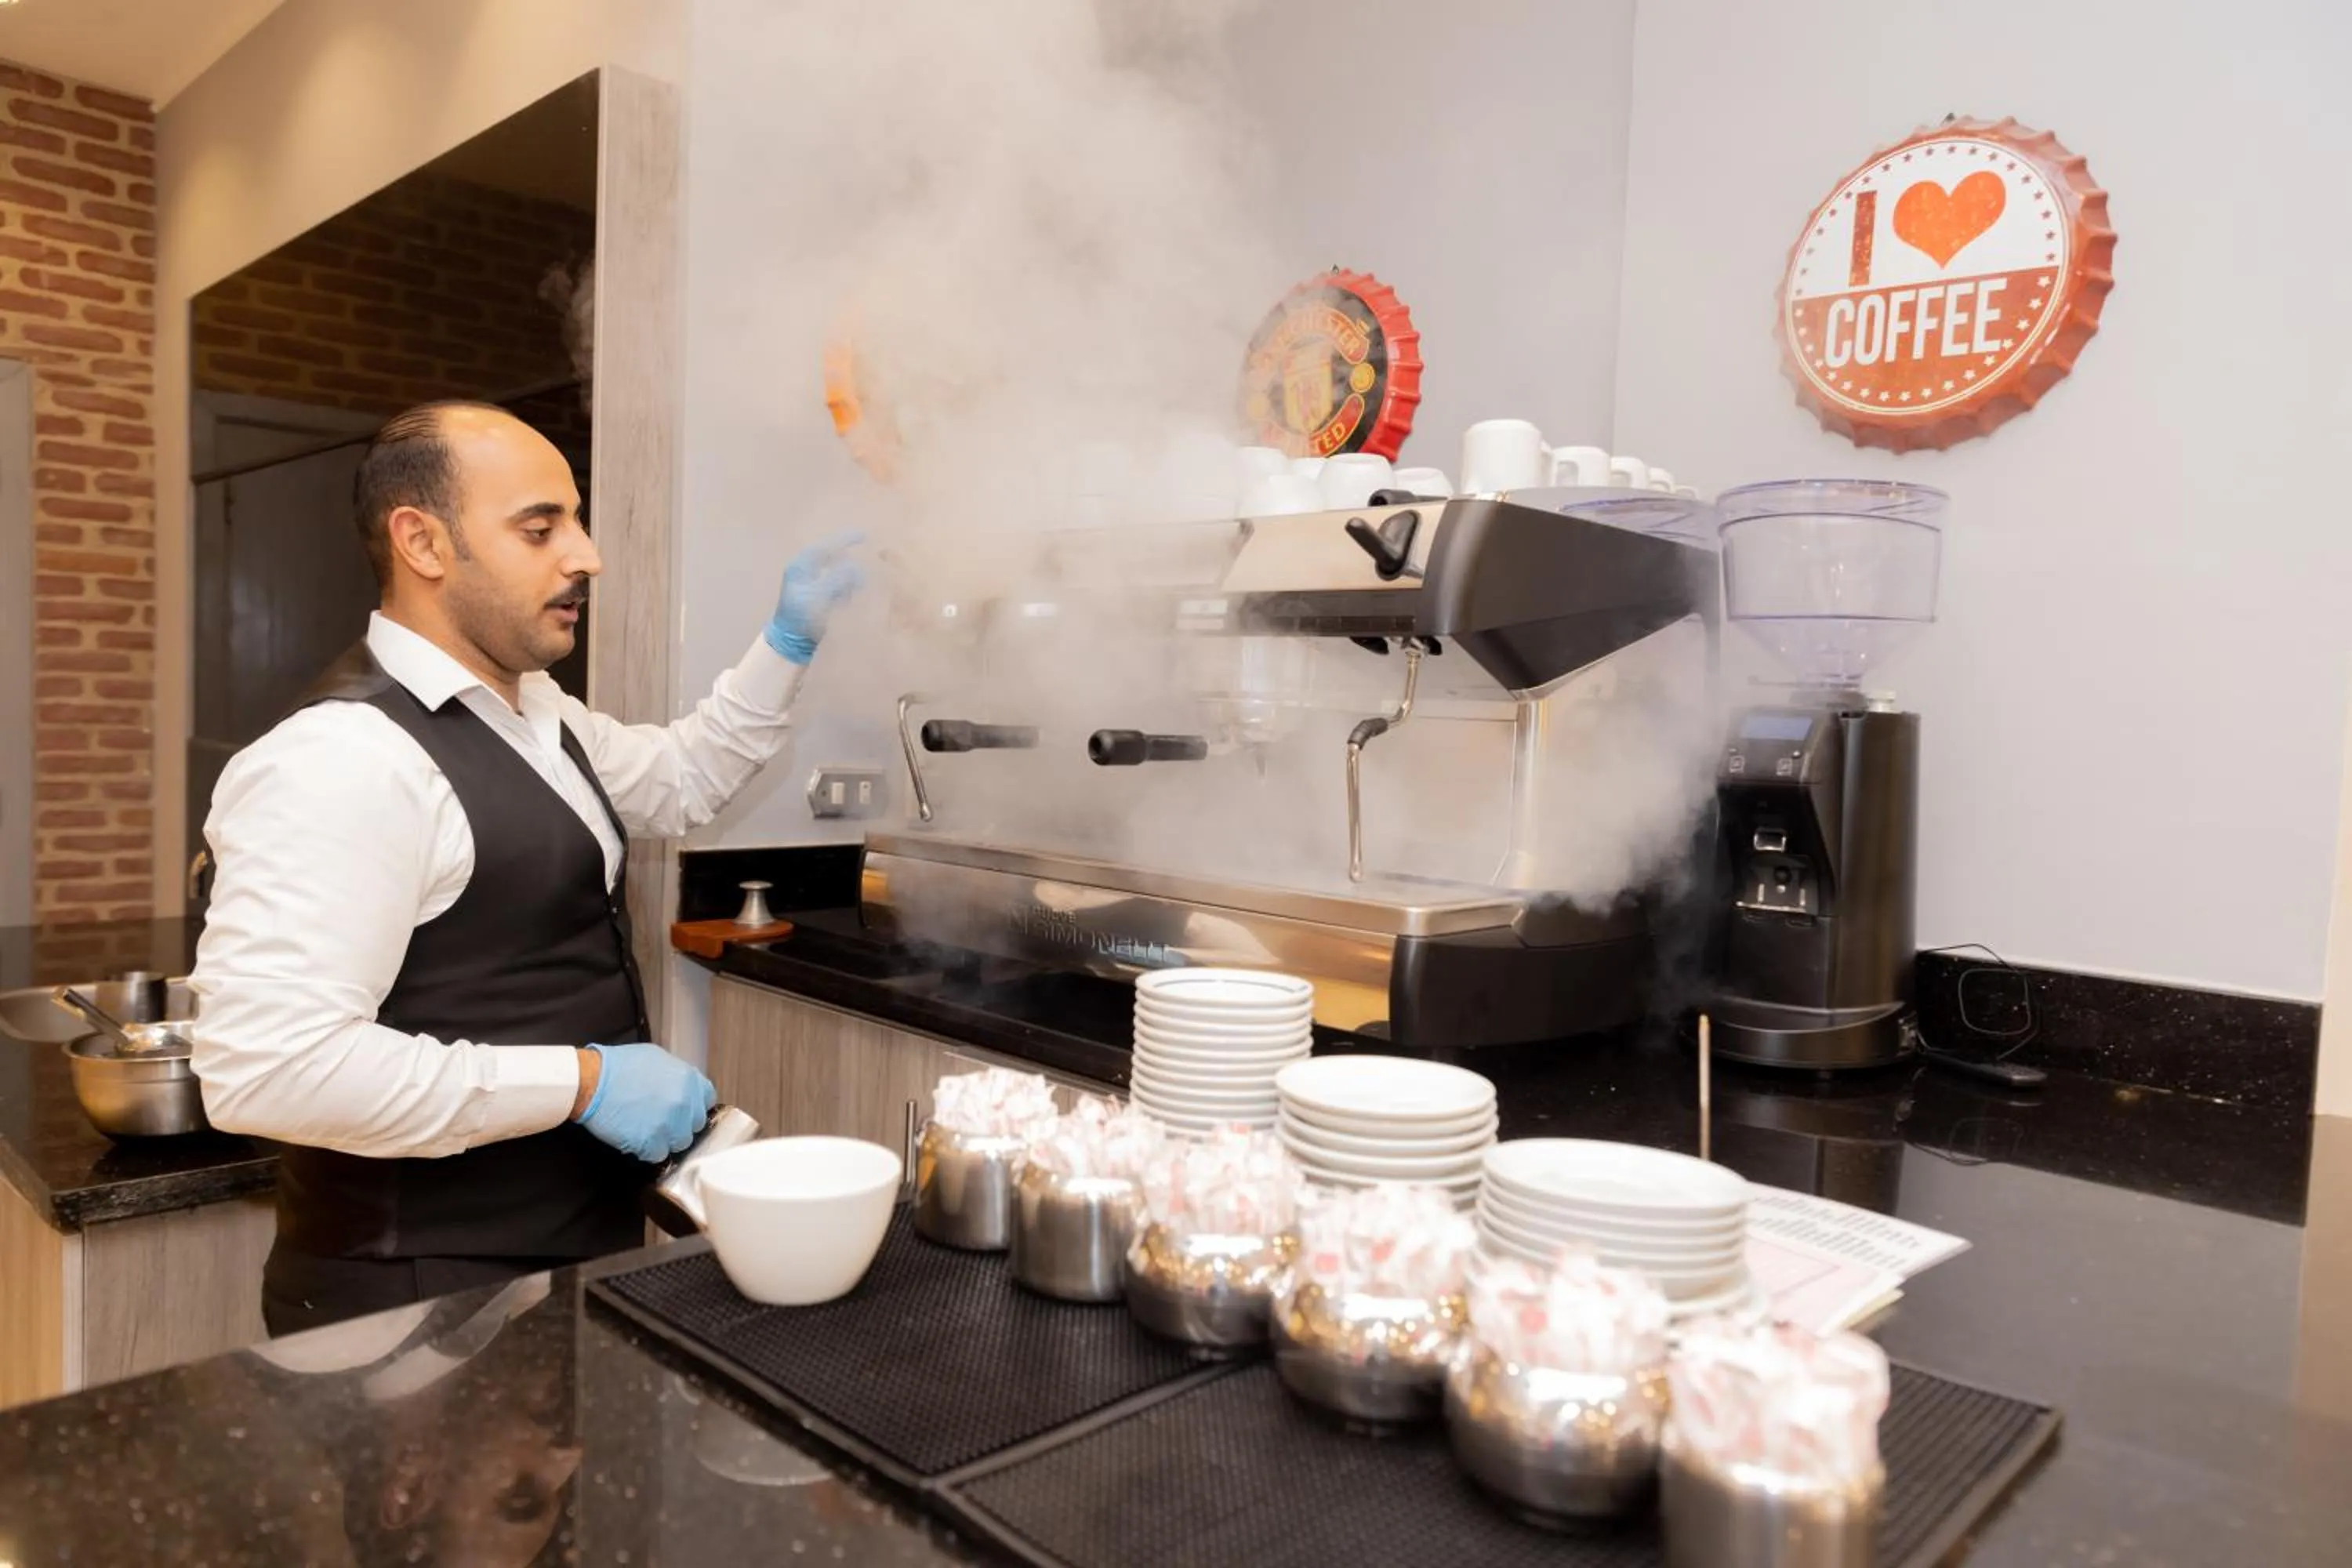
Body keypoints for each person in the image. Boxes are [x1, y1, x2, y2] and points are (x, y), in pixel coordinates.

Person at [189, 400, 862, 1336]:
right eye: (541, 527)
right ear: (422, 541)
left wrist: (787, 642)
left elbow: (681, 779)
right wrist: (584, 1081)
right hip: (414, 1299)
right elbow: (269, 1069)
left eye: (576, 521)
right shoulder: (342, 758)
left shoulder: (537, 711)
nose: (586, 555)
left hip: (567, 1248)